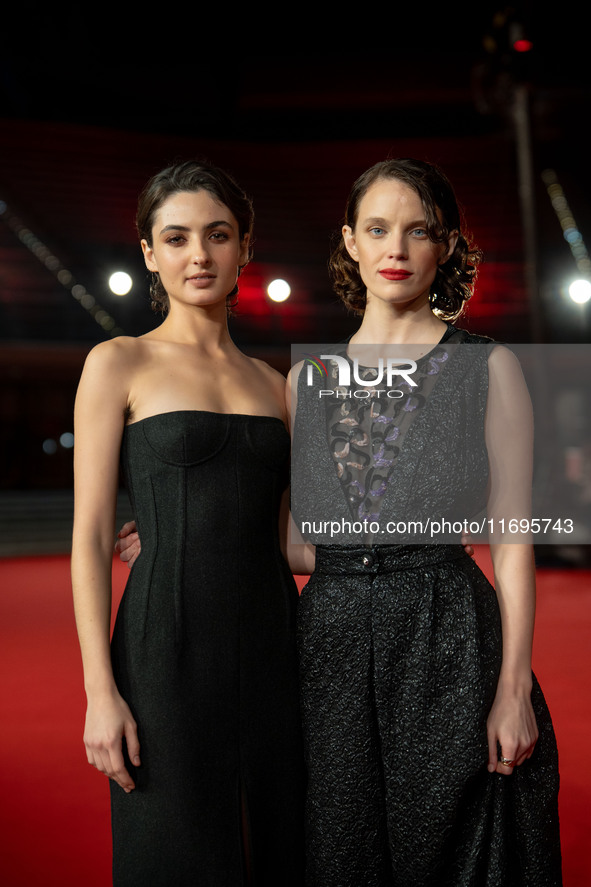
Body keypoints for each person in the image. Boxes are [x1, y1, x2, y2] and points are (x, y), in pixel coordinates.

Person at [288, 158, 562, 886]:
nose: (396, 249)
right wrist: (184, 534)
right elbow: (298, 542)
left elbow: (511, 539)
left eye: (417, 231)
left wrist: (511, 690)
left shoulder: (487, 366)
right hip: (330, 648)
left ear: (444, 246)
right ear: (349, 240)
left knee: (451, 850)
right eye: (377, 228)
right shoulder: (306, 379)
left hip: (448, 637)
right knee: (340, 850)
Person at [71, 160, 305, 887]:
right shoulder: (119, 361)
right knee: (171, 853)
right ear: (149, 251)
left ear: (244, 248)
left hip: (275, 644)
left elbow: (294, 540)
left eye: (217, 235)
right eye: (175, 238)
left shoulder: (277, 383)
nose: (197, 255)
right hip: (161, 648)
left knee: (279, 845)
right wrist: (101, 693)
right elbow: (87, 537)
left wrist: (419, 531)